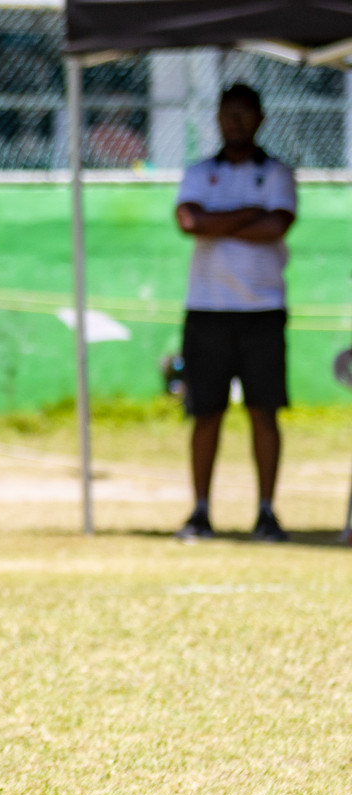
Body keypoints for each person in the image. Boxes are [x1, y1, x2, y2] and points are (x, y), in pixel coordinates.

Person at [173, 83, 296, 542]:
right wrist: (247, 213)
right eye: (229, 113)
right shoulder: (199, 172)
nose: (236, 122)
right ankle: (200, 512)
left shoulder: (277, 173)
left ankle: (266, 512)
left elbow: (276, 225)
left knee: (264, 412)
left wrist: (217, 221)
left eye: (245, 113)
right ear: (218, 118)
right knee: (206, 411)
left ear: (260, 118)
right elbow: (189, 221)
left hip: (262, 309)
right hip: (206, 309)